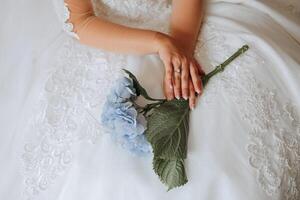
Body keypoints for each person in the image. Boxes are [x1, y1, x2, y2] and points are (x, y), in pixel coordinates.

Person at [0, 0, 300, 200]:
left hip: (182, 20)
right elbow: (80, 20)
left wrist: (180, 48)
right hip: (111, 36)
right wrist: (159, 43)